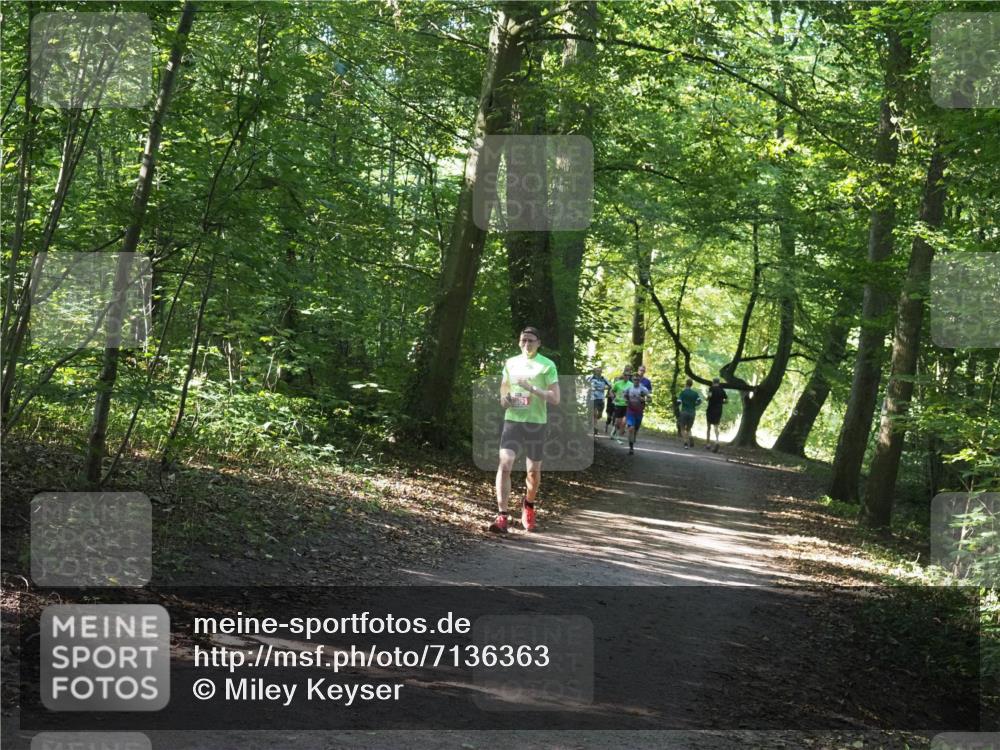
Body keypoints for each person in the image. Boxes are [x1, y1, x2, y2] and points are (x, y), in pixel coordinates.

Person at [490, 327, 560, 534]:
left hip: (536, 423)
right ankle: (502, 515)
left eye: (531, 340)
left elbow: (555, 398)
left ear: (539, 343)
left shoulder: (547, 365)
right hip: (513, 420)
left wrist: (531, 388)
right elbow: (504, 392)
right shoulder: (510, 363)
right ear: (519, 342)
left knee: (533, 472)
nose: (527, 344)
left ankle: (528, 504)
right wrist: (505, 399)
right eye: (523, 340)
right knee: (505, 463)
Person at [623, 372, 652, 455]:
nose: (636, 381)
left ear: (640, 380)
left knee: (635, 429)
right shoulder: (629, 388)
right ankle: (631, 448)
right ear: (632, 380)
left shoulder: (643, 389)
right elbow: (624, 395)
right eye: (635, 379)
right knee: (631, 428)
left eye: (637, 380)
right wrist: (626, 400)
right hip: (630, 411)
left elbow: (650, 399)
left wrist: (645, 400)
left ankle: (633, 437)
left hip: (639, 411)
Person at [585, 366, 611, 436]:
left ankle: (592, 423)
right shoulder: (591, 377)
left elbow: (610, 386)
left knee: (599, 415)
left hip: (601, 398)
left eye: (600, 371)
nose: (599, 372)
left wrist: (604, 388)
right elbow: (586, 383)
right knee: (594, 414)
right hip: (592, 398)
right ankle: (595, 428)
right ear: (594, 371)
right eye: (597, 371)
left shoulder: (603, 379)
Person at [676, 378, 702, 448]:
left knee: (682, 428)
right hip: (692, 412)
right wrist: (695, 404)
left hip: (684, 412)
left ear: (686, 384)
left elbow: (679, 402)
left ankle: (685, 443)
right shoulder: (695, 393)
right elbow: (699, 401)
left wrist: (676, 406)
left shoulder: (683, 392)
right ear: (691, 385)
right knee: (688, 428)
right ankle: (690, 437)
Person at [610, 365, 632, 444]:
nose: (626, 376)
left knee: (624, 422)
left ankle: (619, 437)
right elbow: (611, 391)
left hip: (627, 405)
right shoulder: (618, 383)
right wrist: (613, 398)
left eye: (628, 375)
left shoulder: (631, 384)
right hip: (619, 405)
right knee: (618, 422)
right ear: (623, 375)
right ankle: (614, 430)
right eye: (625, 375)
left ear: (629, 376)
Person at [705, 377, 728, 453]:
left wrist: (707, 398)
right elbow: (726, 400)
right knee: (716, 427)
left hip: (710, 409)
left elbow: (709, 397)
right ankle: (717, 441)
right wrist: (721, 402)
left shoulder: (711, 389)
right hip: (718, 410)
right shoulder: (722, 390)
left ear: (713, 382)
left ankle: (708, 444)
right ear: (718, 382)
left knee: (708, 427)